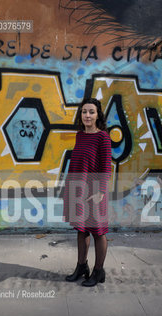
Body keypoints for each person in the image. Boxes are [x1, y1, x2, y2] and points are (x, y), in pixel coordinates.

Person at [63, 97, 112, 287]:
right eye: (84, 111)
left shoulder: (103, 137)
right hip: (78, 189)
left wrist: (100, 192)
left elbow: (106, 167)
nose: (87, 115)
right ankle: (81, 266)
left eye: (91, 111)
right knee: (81, 230)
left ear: (98, 114)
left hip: (95, 192)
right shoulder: (80, 135)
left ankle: (99, 271)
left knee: (98, 232)